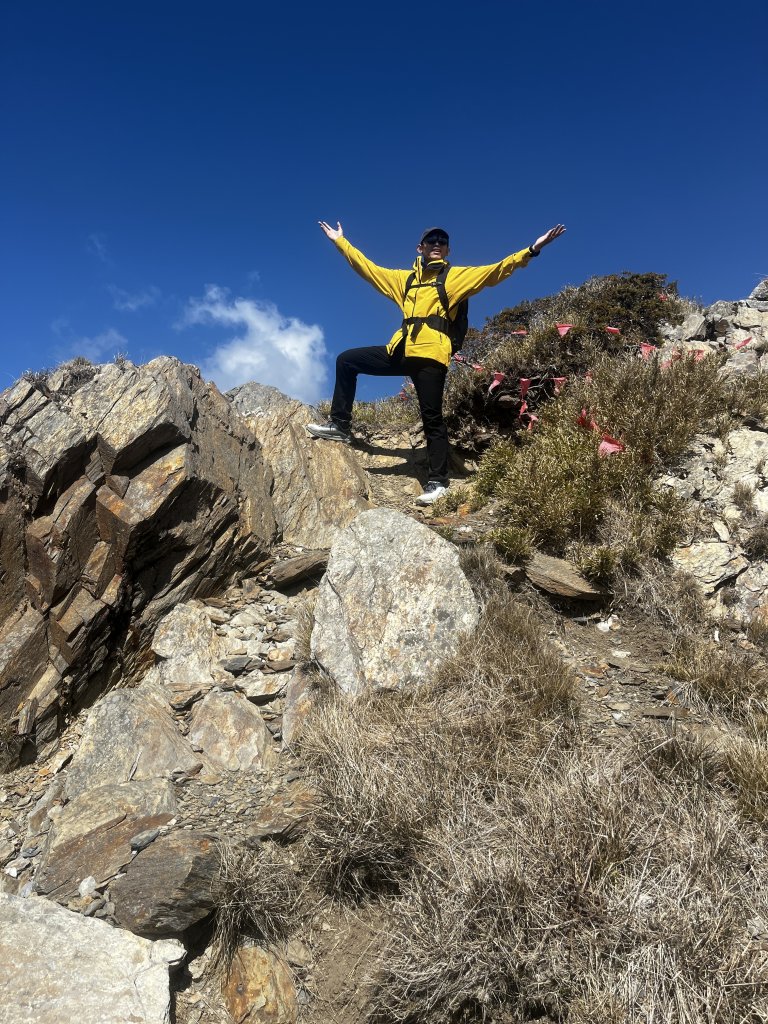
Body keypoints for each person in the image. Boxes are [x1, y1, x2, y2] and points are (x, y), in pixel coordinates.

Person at [307, 221, 566, 504]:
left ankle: (438, 481)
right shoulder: (403, 280)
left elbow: (496, 270)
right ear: (420, 248)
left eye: (442, 241)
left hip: (431, 356)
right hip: (403, 350)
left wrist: (533, 249)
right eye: (432, 241)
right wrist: (340, 242)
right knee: (347, 361)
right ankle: (340, 426)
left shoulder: (454, 278)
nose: (437, 244)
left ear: (447, 249)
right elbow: (367, 269)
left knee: (432, 418)